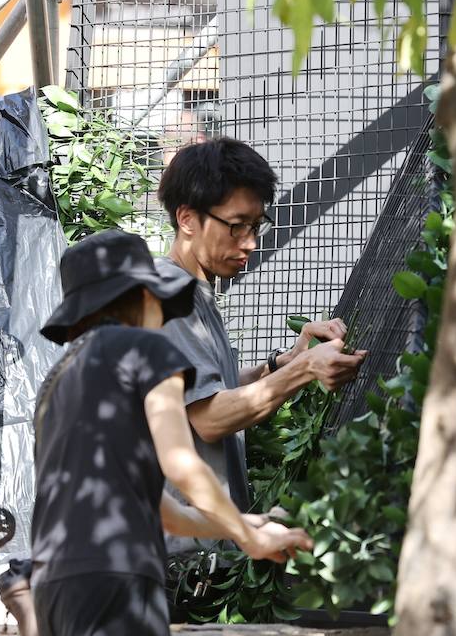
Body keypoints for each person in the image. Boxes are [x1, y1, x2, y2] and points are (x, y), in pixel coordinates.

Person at [30, 229, 313, 636]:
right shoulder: (146, 352)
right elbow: (182, 463)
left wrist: (244, 525)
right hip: (117, 588)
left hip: (58, 595)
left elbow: (165, 510)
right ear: (141, 298)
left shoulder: (58, 384)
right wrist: (247, 535)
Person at [154, 138, 365, 519]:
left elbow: (206, 393)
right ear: (187, 219)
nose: (250, 243)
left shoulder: (194, 291)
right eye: (236, 227)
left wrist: (282, 363)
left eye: (255, 225)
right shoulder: (168, 293)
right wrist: (306, 370)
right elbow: (209, 418)